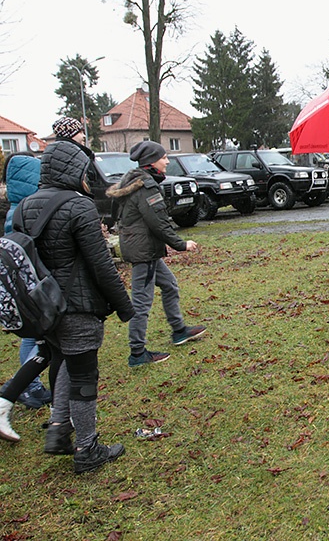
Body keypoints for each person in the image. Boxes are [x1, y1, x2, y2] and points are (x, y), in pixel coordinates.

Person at [16, 123, 135, 472]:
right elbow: (101, 264)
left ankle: (57, 431)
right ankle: (87, 449)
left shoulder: (26, 205)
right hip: (78, 307)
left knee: (64, 361)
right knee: (84, 375)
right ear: (74, 170)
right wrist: (124, 306)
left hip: (44, 307)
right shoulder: (78, 206)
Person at [107, 141, 206, 368]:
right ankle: (137, 353)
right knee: (142, 302)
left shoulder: (132, 180)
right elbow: (158, 223)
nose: (168, 161)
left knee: (170, 285)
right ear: (152, 161)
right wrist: (181, 244)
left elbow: (117, 215)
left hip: (143, 248)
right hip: (143, 252)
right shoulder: (146, 186)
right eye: (164, 157)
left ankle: (179, 330)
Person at [0, 152, 52, 410]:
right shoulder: (22, 211)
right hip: (31, 289)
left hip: (25, 288)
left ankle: (29, 386)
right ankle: (26, 387)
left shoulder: (14, 208)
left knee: (33, 339)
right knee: (39, 341)